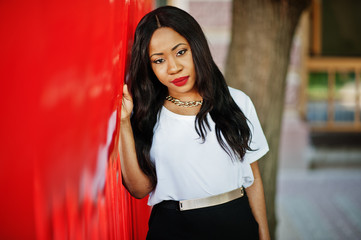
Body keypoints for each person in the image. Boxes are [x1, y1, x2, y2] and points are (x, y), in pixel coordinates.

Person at [120, 5, 270, 240]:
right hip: (173, 228)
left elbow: (253, 179)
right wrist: (124, 124)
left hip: (235, 223)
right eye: (159, 60)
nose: (174, 67)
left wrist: (264, 234)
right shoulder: (147, 114)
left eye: (180, 52)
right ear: (149, 67)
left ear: (196, 47)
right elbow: (139, 189)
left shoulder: (237, 102)